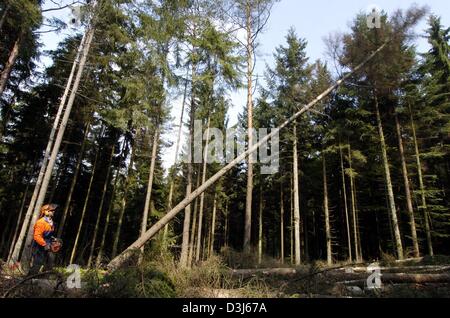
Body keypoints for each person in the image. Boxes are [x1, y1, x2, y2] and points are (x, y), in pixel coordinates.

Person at [28, 204, 58, 276]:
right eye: (51, 210)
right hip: (39, 245)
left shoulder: (51, 222)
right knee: (38, 263)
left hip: (48, 244)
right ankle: (29, 280)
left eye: (54, 210)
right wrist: (44, 244)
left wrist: (53, 238)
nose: (53, 212)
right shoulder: (41, 222)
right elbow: (37, 236)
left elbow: (47, 234)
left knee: (49, 262)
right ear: (45, 211)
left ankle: (43, 279)